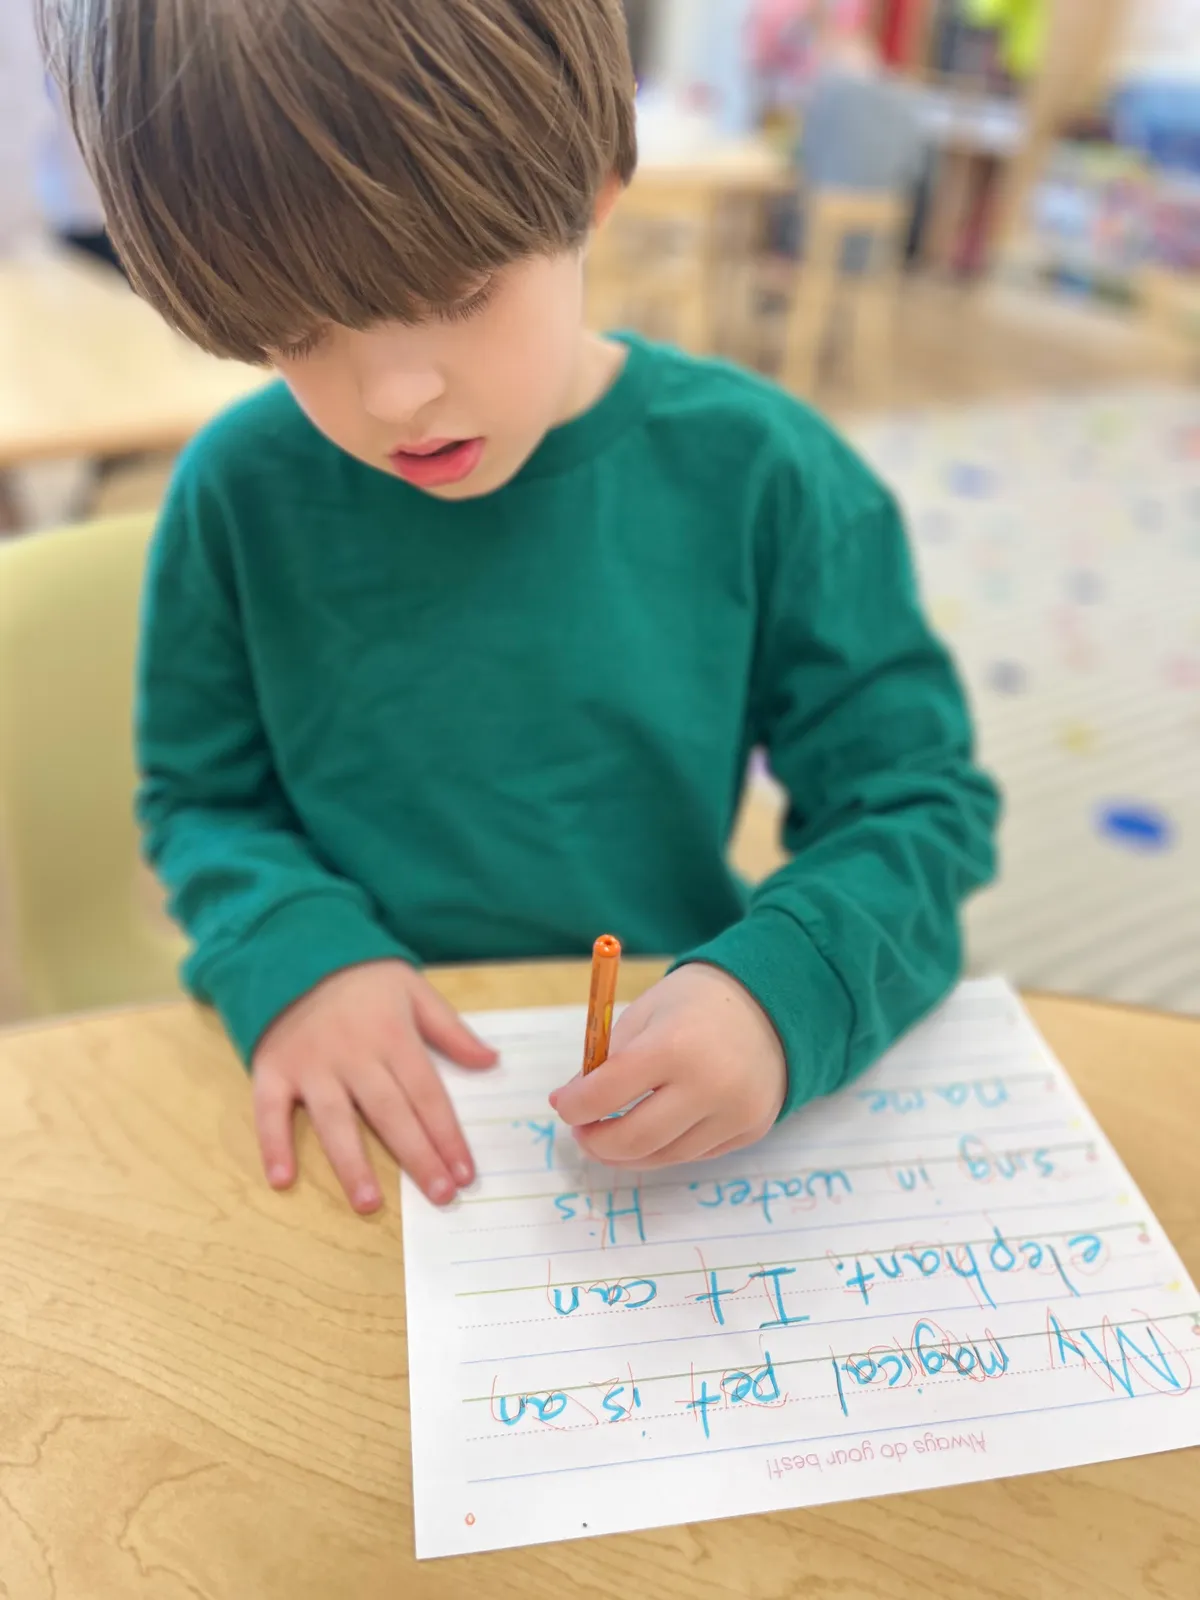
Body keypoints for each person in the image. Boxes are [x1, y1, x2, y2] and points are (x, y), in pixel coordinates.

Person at [41, 0, 999, 1216]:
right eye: (296, 329)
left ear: (595, 183)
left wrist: (784, 987)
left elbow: (913, 800)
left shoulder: (766, 476)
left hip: (670, 1095)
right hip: (357, 1118)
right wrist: (295, 955)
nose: (396, 390)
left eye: (460, 287)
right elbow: (204, 800)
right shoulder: (238, 493)